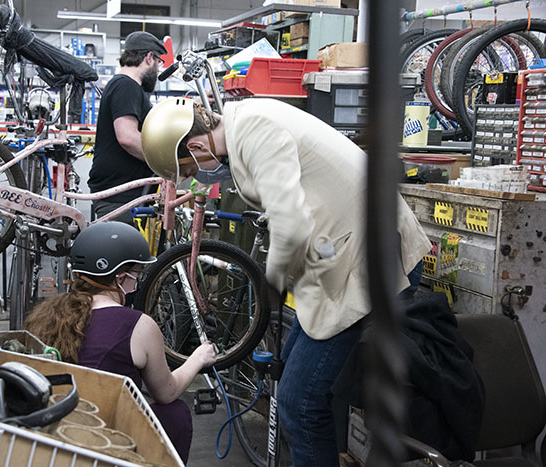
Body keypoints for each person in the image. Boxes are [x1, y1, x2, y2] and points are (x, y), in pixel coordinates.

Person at [140, 97, 432, 466]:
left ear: (197, 146)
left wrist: (274, 286)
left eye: (191, 169)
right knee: (293, 376)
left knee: (300, 404)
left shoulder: (256, 133)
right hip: (344, 257)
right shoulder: (244, 121)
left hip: (368, 265)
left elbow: (291, 225)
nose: (199, 176)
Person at [24, 221, 216, 463]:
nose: (137, 282)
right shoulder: (138, 325)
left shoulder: (46, 314)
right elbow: (166, 393)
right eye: (136, 275)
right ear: (120, 277)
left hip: (51, 435)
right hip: (105, 440)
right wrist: (198, 358)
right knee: (174, 413)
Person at [87, 31, 167, 223]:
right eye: (158, 62)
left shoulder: (126, 86)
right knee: (127, 252)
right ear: (149, 57)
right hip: (120, 198)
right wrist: (164, 162)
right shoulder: (126, 86)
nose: (158, 70)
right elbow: (127, 137)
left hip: (125, 195)